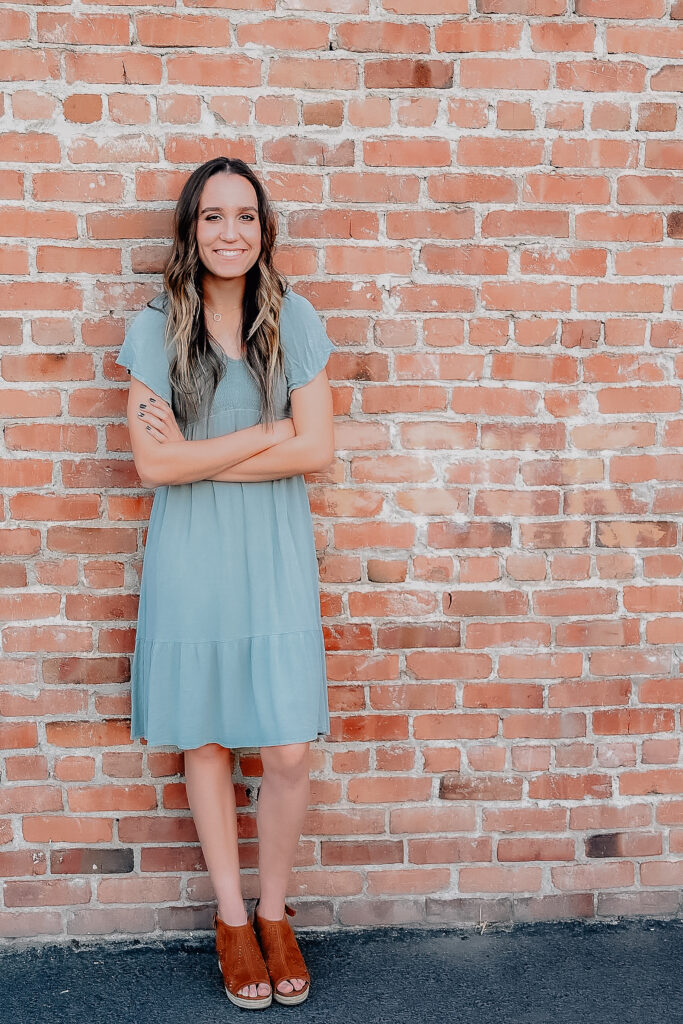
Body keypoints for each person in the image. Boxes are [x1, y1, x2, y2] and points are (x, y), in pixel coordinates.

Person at [114, 156, 336, 1009]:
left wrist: (198, 458)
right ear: (190, 229)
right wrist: (267, 432)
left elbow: (315, 451)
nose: (230, 232)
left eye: (244, 216)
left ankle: (278, 912)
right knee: (204, 734)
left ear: (263, 229)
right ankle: (234, 921)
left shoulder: (296, 320)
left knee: (285, 749)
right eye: (212, 217)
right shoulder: (154, 325)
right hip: (192, 558)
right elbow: (149, 463)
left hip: (273, 552)